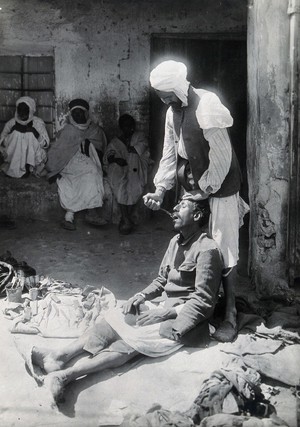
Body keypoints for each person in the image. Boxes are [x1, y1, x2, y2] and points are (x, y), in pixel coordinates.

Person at [31, 194, 223, 403]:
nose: (175, 209)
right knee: (113, 319)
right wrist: (141, 295)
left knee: (132, 343)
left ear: (196, 215)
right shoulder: (175, 242)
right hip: (162, 307)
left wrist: (167, 312)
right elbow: (161, 280)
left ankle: (66, 376)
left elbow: (203, 301)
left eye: (182, 205)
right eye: (176, 205)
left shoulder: (208, 250)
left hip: (184, 320)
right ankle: (59, 357)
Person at [144, 60, 249, 342]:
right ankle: (200, 303)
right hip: (194, 184)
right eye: (161, 96)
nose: (164, 100)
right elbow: (169, 154)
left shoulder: (207, 104)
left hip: (220, 185)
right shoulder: (172, 112)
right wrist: (160, 189)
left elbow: (222, 154)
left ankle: (230, 313)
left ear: (178, 87)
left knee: (223, 247)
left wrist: (208, 188)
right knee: (194, 244)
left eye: (166, 94)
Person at [46, 98, 107, 230]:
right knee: (69, 180)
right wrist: (56, 166)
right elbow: (57, 151)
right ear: (71, 115)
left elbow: (100, 149)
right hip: (67, 162)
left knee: (92, 172)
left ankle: (84, 214)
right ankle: (71, 216)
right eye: (75, 113)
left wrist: (86, 145)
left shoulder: (95, 130)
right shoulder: (68, 130)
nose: (78, 116)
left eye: (80, 113)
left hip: (87, 159)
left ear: (86, 114)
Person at [104, 114, 151, 234]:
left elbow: (138, 150)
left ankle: (125, 219)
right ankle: (126, 219)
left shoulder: (140, 137)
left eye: (130, 125)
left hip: (136, 168)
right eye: (125, 126)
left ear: (133, 126)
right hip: (121, 169)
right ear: (121, 127)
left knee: (133, 183)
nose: (128, 128)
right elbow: (108, 155)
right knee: (119, 185)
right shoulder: (115, 141)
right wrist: (115, 159)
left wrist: (128, 152)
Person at [0, 96, 50, 178]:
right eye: (20, 110)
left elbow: (45, 144)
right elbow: (2, 142)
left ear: (30, 111)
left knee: (29, 134)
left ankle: (28, 166)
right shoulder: (11, 123)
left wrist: (35, 133)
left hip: (34, 156)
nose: (22, 113)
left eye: (25, 111)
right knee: (16, 133)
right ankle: (15, 167)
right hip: (13, 156)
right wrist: (13, 131)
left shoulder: (38, 123)